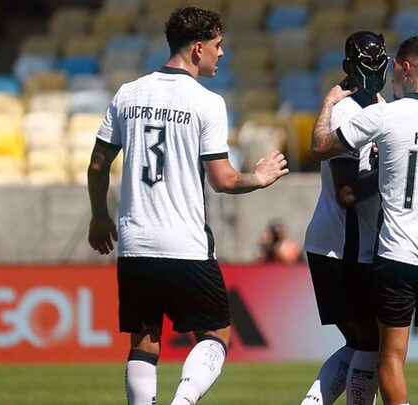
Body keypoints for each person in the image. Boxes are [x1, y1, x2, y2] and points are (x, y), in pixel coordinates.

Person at [86, 7, 289, 405]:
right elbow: (224, 179)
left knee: (144, 339)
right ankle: (183, 401)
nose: (222, 53)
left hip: (135, 243)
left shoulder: (128, 94)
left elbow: (96, 166)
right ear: (198, 48)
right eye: (218, 45)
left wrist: (98, 215)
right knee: (216, 335)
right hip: (185, 244)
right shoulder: (206, 103)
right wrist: (261, 176)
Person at [311, 35, 418, 405]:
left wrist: (329, 106)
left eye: (394, 65)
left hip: (396, 254)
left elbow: (320, 148)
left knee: (389, 354)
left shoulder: (386, 115)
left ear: (406, 68)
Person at [301, 31, 388, 405]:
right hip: (343, 243)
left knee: (361, 340)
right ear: (349, 67)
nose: (375, 68)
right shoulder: (346, 112)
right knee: (372, 342)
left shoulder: (375, 107)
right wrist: (393, 170)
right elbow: (347, 192)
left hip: (342, 242)